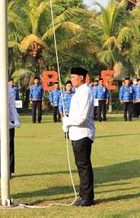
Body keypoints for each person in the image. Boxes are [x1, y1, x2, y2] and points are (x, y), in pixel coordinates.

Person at [62, 67, 95, 207]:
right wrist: (67, 122)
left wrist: (67, 121)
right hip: (76, 134)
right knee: (80, 165)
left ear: (81, 78)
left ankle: (87, 198)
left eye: (74, 77)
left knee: (84, 165)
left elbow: (82, 117)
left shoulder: (85, 92)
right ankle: (83, 195)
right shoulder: (78, 92)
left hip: (83, 133)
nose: (71, 79)